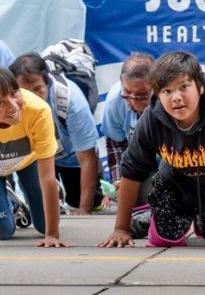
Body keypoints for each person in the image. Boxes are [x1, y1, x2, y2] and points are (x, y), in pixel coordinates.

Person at [98, 51, 205, 251]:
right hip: (175, 184)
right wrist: (121, 229)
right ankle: (151, 217)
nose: (176, 98)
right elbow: (132, 170)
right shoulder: (151, 118)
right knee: (163, 239)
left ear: (200, 86)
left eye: (184, 87)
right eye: (167, 91)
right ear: (157, 94)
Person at [10, 53, 102, 214]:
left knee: (87, 202)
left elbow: (87, 157)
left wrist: (84, 208)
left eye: (38, 90)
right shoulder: (9, 102)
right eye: (25, 92)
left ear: (48, 82)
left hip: (71, 159)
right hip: (37, 156)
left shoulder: (71, 101)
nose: (32, 97)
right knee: (42, 210)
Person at [0, 67, 67, 246]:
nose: (13, 106)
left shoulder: (38, 110)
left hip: (28, 161)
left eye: (14, 94)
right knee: (4, 231)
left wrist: (52, 235)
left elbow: (48, 178)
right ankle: (10, 204)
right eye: (1, 103)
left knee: (44, 225)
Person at [100, 53, 155, 208]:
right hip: (138, 165)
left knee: (155, 193)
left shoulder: (168, 100)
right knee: (131, 198)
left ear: (155, 87)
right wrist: (119, 181)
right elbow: (116, 146)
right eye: (127, 93)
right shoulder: (115, 101)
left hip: (168, 164)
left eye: (141, 96)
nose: (131, 102)